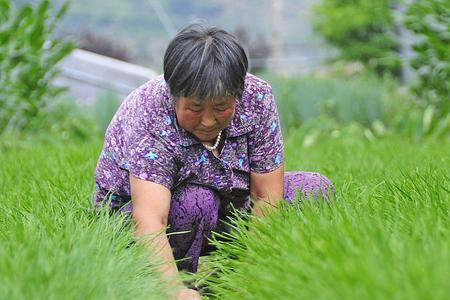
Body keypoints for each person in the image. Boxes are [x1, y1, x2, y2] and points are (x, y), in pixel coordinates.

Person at [92, 24, 333, 300]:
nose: (208, 121)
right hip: (140, 222)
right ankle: (182, 284)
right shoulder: (149, 111)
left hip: (227, 201)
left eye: (221, 108)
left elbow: (267, 196)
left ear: (238, 94)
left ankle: (223, 284)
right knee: (198, 199)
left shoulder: (258, 98)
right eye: (195, 108)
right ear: (174, 92)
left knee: (314, 189)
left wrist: (248, 273)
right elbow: (148, 218)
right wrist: (173, 289)